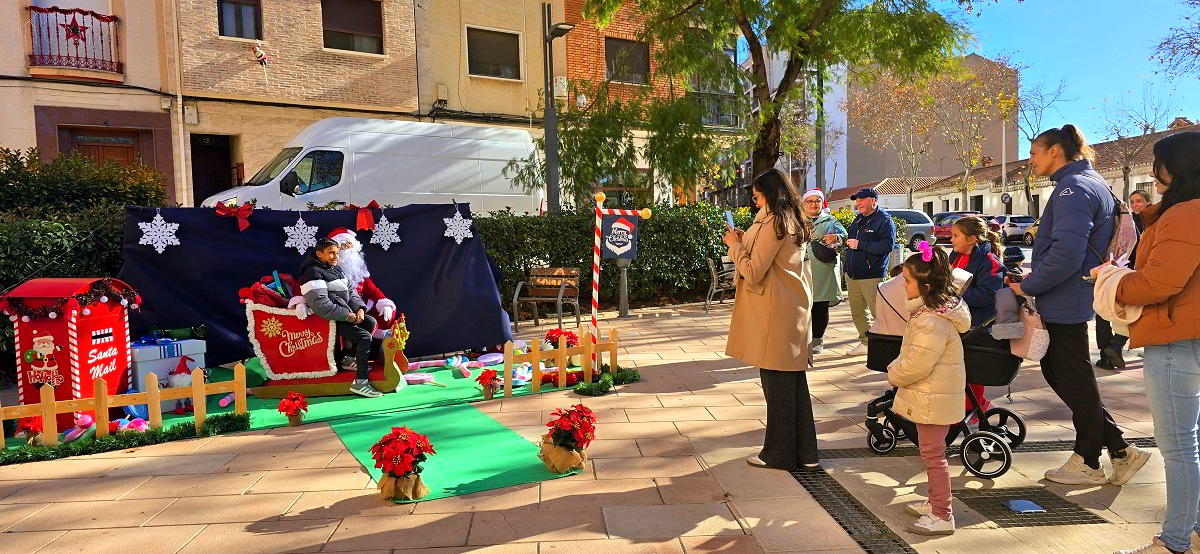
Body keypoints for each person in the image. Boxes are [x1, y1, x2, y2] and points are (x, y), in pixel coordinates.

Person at [1009, 124, 1149, 485]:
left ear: (1055, 150)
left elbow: (1067, 253)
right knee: (1063, 374)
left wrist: (1028, 285)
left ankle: (1089, 460)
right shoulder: (1090, 183)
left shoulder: (1073, 189)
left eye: (1035, 152)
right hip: (1068, 295)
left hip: (1065, 297)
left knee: (1073, 378)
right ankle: (1120, 450)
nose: (1030, 161)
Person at [1111, 132, 1200, 554]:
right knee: (1191, 443)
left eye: (1159, 163)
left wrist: (1114, 283)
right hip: (1187, 333)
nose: (1152, 172)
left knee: (1179, 445)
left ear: (1180, 167)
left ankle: (1175, 542)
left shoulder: (1185, 214)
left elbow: (1159, 283)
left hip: (1176, 337)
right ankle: (1192, 532)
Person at [723, 168, 817, 471]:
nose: (754, 202)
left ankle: (777, 454)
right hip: (788, 310)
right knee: (793, 385)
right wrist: (743, 240)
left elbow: (754, 270)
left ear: (769, 194)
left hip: (774, 314)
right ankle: (805, 453)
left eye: (756, 196)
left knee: (777, 386)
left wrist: (734, 245)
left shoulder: (774, 221)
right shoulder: (789, 218)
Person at [887, 242, 970, 536]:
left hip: (934, 397)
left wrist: (894, 373)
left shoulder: (931, 320)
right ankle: (936, 503)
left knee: (934, 456)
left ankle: (942, 515)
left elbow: (917, 363)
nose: (903, 286)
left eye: (907, 281)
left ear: (924, 285)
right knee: (932, 453)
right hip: (934, 394)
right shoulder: (933, 312)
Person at [300, 238, 383, 398]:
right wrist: (347, 316)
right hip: (327, 321)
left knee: (370, 322)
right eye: (331, 253)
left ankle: (349, 358)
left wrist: (359, 308)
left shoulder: (336, 270)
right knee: (364, 337)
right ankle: (360, 383)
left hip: (342, 315)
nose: (335, 256)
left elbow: (351, 292)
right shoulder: (313, 273)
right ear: (319, 254)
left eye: (337, 253)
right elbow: (322, 306)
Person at [948, 216, 1005, 418]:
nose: (951, 240)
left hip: (977, 324)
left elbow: (989, 294)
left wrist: (956, 297)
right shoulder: (954, 256)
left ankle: (976, 407)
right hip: (956, 320)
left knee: (972, 367)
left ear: (972, 239)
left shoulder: (988, 260)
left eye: (956, 236)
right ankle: (964, 404)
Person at [1096, 189, 1152, 370]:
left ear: (1148, 202)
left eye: (1139, 201)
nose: (1135, 205)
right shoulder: (1133, 219)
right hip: (1127, 272)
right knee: (1127, 311)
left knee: (1110, 310)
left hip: (1127, 271)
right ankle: (1114, 347)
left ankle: (1110, 351)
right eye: (1133, 201)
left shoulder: (1146, 220)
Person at [844, 188, 897, 355]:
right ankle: (866, 343)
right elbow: (850, 242)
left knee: (879, 313)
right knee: (858, 312)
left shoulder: (884, 220)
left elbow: (887, 247)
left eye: (862, 199)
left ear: (873, 200)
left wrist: (861, 245)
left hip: (872, 275)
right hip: (852, 275)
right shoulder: (858, 220)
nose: (857, 203)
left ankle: (889, 346)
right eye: (856, 200)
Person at [328, 228, 398, 339]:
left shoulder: (358, 274)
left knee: (388, 308)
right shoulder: (326, 271)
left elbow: (373, 290)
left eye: (349, 244)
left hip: (361, 310)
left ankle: (378, 337)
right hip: (340, 313)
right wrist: (299, 302)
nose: (346, 248)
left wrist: (385, 304)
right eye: (342, 245)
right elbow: (308, 284)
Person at [802, 189, 847, 355]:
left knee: (820, 306)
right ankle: (803, 338)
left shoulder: (831, 220)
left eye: (817, 201)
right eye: (810, 201)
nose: (814, 204)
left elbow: (845, 237)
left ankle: (817, 339)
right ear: (804, 204)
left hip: (822, 270)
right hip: (801, 269)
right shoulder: (796, 220)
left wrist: (836, 237)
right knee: (802, 306)